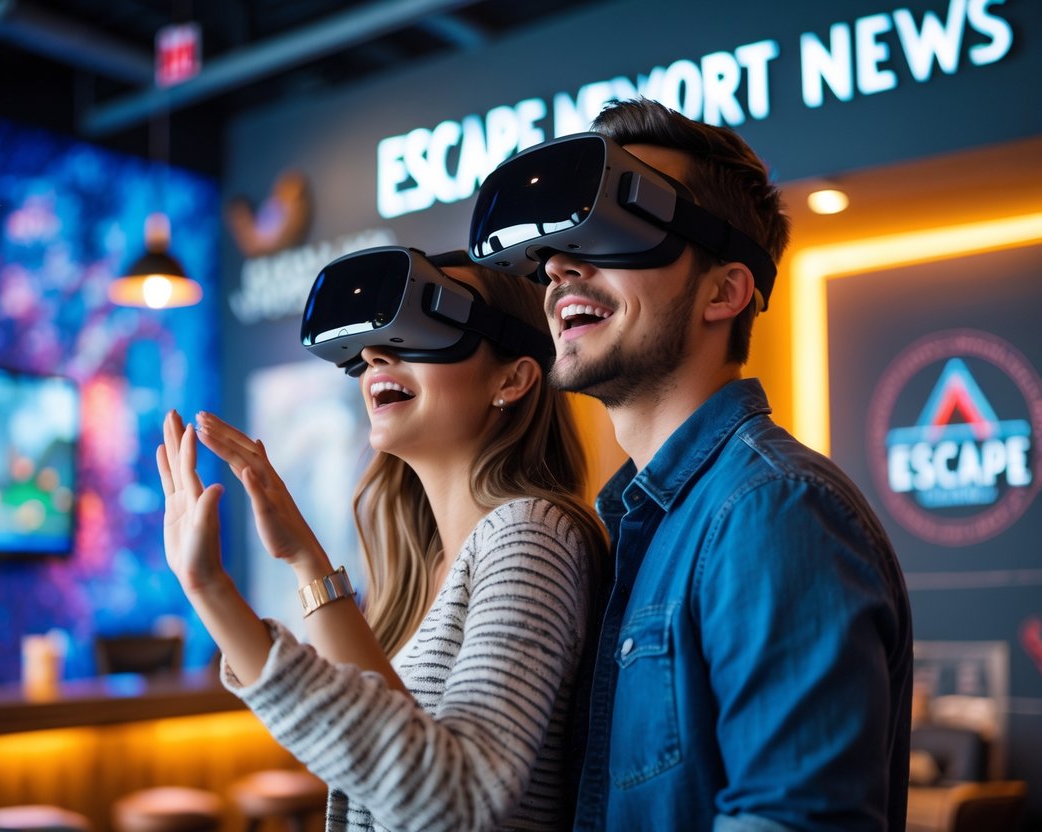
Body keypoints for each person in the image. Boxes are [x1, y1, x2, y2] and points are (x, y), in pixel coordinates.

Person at [468, 98, 914, 831]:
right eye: (552, 254)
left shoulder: (771, 510)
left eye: (612, 230)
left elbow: (794, 820)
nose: (557, 267)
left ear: (725, 290)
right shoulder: (632, 527)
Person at [156, 247, 607, 832]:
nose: (374, 354)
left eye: (425, 323)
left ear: (513, 378)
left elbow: (458, 800)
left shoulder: (529, 536)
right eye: (370, 343)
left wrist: (211, 590)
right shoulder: (432, 565)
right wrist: (303, 556)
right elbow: (391, 744)